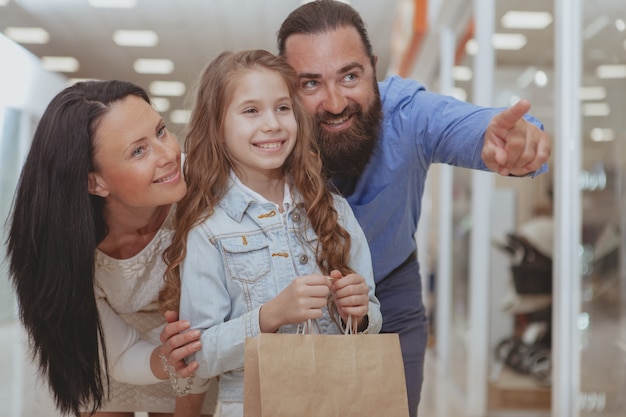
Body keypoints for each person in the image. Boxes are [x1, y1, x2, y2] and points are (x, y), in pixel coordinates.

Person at [276, 1, 552, 416]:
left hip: (389, 292)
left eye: (350, 76)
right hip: (294, 298)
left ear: (373, 67)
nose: (334, 103)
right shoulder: (269, 131)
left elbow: (474, 127)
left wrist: (515, 144)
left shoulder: (407, 114)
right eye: (310, 84)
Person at [158, 49, 382, 417]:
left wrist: (355, 313)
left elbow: (369, 319)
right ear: (217, 127)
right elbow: (197, 352)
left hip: (337, 401)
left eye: (282, 108)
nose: (273, 124)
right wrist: (269, 316)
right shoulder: (208, 229)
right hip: (248, 404)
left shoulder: (335, 210)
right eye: (250, 111)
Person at [5, 80, 217, 417]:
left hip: (192, 346)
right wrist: (164, 359)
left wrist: (178, 361)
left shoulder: (204, 191)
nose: (168, 155)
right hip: (109, 349)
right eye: (138, 151)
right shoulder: (67, 245)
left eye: (161, 131)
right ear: (95, 182)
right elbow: (117, 356)